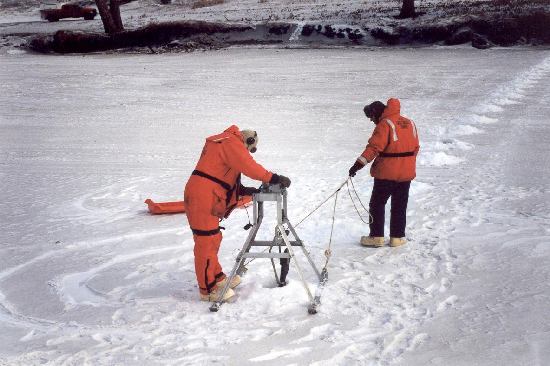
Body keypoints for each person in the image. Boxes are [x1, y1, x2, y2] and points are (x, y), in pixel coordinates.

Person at [184, 125, 291, 302]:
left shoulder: (224, 143)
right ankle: (207, 290)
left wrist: (244, 190)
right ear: (248, 141)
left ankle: (217, 278)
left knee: (213, 238)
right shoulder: (230, 142)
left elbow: (224, 175)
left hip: (206, 194)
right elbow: (250, 167)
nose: (249, 152)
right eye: (250, 149)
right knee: (206, 241)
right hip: (203, 195)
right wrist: (274, 178)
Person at [348, 98, 419, 247]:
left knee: (377, 204)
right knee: (400, 205)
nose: (372, 121)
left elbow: (374, 148)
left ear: (376, 114)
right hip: (406, 173)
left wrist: (357, 165)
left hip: (387, 173)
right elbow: (416, 148)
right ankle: (397, 238)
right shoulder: (410, 123)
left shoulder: (384, 124)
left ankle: (376, 237)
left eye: (371, 117)